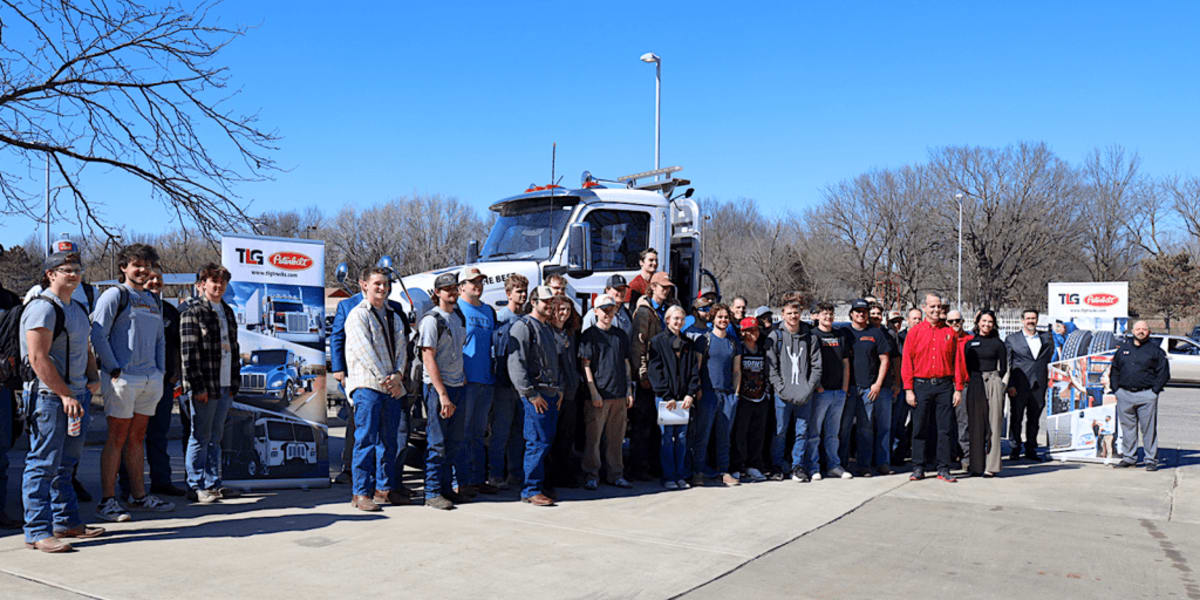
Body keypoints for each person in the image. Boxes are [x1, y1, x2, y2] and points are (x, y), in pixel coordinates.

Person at [20, 241, 105, 552]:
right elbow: (38, 358)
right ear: (50, 274)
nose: (73, 274)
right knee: (42, 464)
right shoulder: (43, 308)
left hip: (78, 396)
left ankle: (67, 522)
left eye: (77, 270)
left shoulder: (79, 309)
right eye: (66, 270)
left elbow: (86, 348)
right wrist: (65, 393)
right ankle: (37, 530)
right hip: (50, 398)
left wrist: (93, 379)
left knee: (67, 464)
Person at [91, 243, 174, 521]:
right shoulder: (115, 295)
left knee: (137, 438)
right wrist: (114, 367)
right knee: (117, 438)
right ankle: (108, 501)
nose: (143, 270)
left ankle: (139, 497)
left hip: (150, 379)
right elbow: (98, 335)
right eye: (137, 265)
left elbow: (160, 340)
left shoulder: (152, 300)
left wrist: (160, 372)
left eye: (147, 265)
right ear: (124, 267)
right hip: (123, 378)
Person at [345, 267, 411, 511]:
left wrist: (399, 375)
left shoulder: (393, 314)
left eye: (385, 283)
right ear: (364, 285)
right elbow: (364, 352)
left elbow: (403, 347)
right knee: (365, 440)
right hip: (368, 386)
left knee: (389, 441)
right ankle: (361, 493)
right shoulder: (357, 315)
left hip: (392, 387)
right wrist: (387, 379)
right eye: (377, 284)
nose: (382, 288)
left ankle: (384, 489)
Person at [116, 270, 186, 499]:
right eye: (149, 279)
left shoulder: (170, 311)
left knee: (159, 434)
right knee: (129, 436)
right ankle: (129, 486)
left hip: (162, 384)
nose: (155, 283)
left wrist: (175, 374)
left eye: (159, 279)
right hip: (133, 380)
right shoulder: (128, 306)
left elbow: (177, 346)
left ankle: (161, 481)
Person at [179, 263, 240, 504]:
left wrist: (234, 383)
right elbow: (188, 353)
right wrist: (197, 386)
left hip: (225, 384)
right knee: (200, 436)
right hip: (205, 385)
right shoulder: (192, 311)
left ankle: (214, 484)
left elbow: (234, 349)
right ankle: (195, 485)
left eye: (222, 282)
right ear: (202, 284)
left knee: (216, 437)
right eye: (214, 281)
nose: (218, 286)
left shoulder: (227, 311)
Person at [901, 294, 966, 483]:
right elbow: (907, 362)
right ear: (924, 307)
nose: (936, 310)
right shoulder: (914, 332)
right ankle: (918, 467)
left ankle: (943, 468)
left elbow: (957, 363)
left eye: (939, 307)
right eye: (932, 307)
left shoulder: (950, 333)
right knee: (919, 427)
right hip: (921, 386)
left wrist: (958, 388)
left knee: (944, 429)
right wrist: (908, 389)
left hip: (944, 386)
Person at [507, 286, 562, 506]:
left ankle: (540, 485)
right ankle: (531, 489)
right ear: (534, 301)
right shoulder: (523, 327)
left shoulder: (547, 328)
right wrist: (530, 394)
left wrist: (557, 391)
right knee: (536, 443)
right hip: (535, 396)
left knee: (545, 443)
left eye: (551, 302)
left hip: (550, 393)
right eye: (545, 302)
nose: (549, 306)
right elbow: (516, 364)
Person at [419, 271, 468, 510]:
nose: (452, 292)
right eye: (447, 289)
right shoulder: (431, 320)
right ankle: (432, 492)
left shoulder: (458, 317)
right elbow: (428, 358)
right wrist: (442, 394)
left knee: (454, 442)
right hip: (439, 389)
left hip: (458, 385)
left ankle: (447, 488)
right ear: (437, 293)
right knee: (436, 443)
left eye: (454, 288)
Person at [579, 295, 634, 490]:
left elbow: (626, 363)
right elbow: (585, 366)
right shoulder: (588, 335)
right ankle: (591, 474)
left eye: (610, 310)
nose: (607, 314)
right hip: (598, 396)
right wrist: (593, 392)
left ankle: (615, 474)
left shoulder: (620, 335)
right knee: (593, 439)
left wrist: (628, 389)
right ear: (595, 311)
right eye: (603, 310)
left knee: (616, 439)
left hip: (619, 394)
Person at [766, 297, 821, 482]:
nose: (793, 316)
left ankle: (798, 466)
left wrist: (808, 388)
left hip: (804, 394)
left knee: (802, 432)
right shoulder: (776, 336)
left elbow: (816, 366)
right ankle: (777, 465)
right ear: (782, 314)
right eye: (789, 313)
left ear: (801, 313)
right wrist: (780, 388)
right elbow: (771, 367)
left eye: (796, 313)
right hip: (782, 394)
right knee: (780, 431)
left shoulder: (810, 336)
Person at [647, 305, 701, 489]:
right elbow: (655, 371)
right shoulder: (657, 342)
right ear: (667, 320)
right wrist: (666, 395)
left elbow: (694, 371)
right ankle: (669, 476)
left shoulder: (688, 343)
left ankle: (681, 475)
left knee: (682, 437)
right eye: (674, 318)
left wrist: (690, 393)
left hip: (684, 398)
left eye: (681, 319)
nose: (678, 322)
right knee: (667, 437)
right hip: (666, 399)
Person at [456, 267, 498, 496]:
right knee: (462, 432)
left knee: (479, 433)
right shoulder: (458, 310)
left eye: (480, 282)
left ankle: (478, 478)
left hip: (485, 379)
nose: (477, 286)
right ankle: (461, 480)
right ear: (462, 286)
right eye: (473, 282)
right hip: (465, 380)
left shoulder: (488, 312)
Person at [629, 271, 675, 480]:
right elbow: (638, 346)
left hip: (665, 374)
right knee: (643, 423)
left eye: (667, 287)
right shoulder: (644, 312)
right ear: (652, 287)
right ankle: (638, 467)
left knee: (660, 424)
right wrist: (642, 374)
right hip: (649, 374)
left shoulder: (669, 309)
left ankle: (656, 465)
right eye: (662, 287)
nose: (665, 290)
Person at [689, 303, 742, 486]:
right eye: (719, 317)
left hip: (727, 395)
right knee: (702, 435)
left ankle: (724, 472)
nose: (723, 320)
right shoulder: (704, 340)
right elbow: (697, 367)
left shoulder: (733, 343)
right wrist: (698, 389)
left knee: (724, 436)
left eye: (726, 317)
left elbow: (736, 371)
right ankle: (698, 472)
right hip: (708, 394)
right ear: (713, 319)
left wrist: (735, 394)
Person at [1110, 320, 1169, 471]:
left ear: (1148, 332)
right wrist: (1116, 389)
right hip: (1125, 394)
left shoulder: (1156, 351)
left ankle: (1150, 459)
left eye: (1144, 329)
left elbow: (1163, 373)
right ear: (1132, 331)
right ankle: (1129, 458)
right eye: (1138, 329)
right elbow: (1115, 370)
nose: (1141, 331)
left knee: (1148, 429)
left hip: (1146, 395)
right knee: (1128, 428)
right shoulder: (1123, 350)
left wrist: (1154, 391)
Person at [487, 274, 528, 490]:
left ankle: (515, 474)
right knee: (500, 431)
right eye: (518, 291)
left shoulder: (528, 320)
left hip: (522, 385)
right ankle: (495, 474)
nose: (522, 295)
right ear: (508, 293)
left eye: (524, 291)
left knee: (519, 432)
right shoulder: (500, 319)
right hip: (503, 384)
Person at [847, 299, 893, 477]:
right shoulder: (845, 332)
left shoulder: (876, 333)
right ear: (851, 313)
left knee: (880, 427)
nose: (861, 314)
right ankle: (858, 464)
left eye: (864, 311)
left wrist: (878, 384)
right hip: (851, 388)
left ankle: (881, 463)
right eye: (857, 311)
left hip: (871, 388)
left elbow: (885, 360)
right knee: (857, 429)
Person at [1004, 309, 1053, 462]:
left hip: (1039, 385)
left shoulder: (1046, 338)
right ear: (1022, 320)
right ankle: (1015, 448)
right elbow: (1008, 364)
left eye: (1034, 318)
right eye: (1028, 318)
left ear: (1037, 320)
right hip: (1018, 385)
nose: (1031, 321)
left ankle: (1031, 448)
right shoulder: (1012, 339)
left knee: (1034, 419)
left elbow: (1049, 359)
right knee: (1016, 418)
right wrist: (1010, 385)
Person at [811, 302, 851, 480]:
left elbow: (845, 363)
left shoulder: (839, 335)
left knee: (833, 433)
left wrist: (844, 387)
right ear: (817, 316)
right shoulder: (813, 336)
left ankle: (834, 465)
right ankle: (813, 466)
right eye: (824, 314)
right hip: (821, 392)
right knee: (814, 433)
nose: (828, 317)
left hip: (838, 392)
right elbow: (809, 364)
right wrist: (817, 385)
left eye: (830, 314)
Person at [963, 310, 1006, 477]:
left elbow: (1003, 367)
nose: (986, 324)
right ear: (978, 322)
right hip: (975, 382)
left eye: (990, 322)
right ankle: (976, 465)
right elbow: (967, 365)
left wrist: (995, 381)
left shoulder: (998, 344)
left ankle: (992, 466)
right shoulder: (970, 343)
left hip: (993, 380)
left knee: (994, 423)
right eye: (984, 321)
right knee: (976, 424)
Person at [547, 292, 582, 491]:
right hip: (555, 393)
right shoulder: (548, 332)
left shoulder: (570, 333)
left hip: (571, 392)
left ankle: (564, 474)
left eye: (567, 310)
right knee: (552, 437)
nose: (564, 313)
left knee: (567, 437)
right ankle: (550, 477)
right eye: (560, 309)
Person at [730, 317, 770, 482]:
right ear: (743, 332)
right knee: (740, 433)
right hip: (744, 397)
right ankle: (738, 466)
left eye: (756, 330)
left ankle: (754, 465)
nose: (754, 333)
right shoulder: (739, 349)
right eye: (750, 330)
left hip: (760, 397)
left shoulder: (763, 349)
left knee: (757, 433)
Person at [891, 307, 923, 466]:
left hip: (920, 383)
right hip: (903, 384)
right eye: (914, 318)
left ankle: (915, 451)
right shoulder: (900, 337)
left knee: (918, 421)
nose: (917, 321)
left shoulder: (925, 336)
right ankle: (898, 453)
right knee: (898, 420)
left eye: (919, 318)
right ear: (908, 320)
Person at [946, 310, 972, 470]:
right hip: (944, 385)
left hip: (963, 386)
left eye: (958, 321)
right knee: (945, 424)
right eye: (951, 321)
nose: (955, 324)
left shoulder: (969, 340)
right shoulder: (944, 338)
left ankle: (966, 456)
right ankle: (948, 455)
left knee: (963, 423)